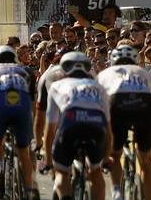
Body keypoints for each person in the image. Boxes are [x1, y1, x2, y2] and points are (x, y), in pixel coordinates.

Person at [42, 52, 110, 200]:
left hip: (70, 125)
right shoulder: (99, 87)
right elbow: (108, 127)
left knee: (62, 173)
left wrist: (48, 160)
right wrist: (106, 157)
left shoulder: (56, 85)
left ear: (63, 70)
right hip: (95, 126)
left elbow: (50, 128)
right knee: (96, 172)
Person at [98, 44, 151, 200]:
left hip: (117, 104)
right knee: (146, 160)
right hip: (145, 105)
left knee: (115, 154)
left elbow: (98, 102)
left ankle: (116, 190)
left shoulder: (105, 73)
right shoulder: (145, 73)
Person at [0, 45, 38, 200]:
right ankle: (30, 188)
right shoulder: (27, 72)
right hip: (22, 104)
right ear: (15, 58)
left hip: (0, 103)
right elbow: (33, 106)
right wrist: (32, 133)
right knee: (23, 151)